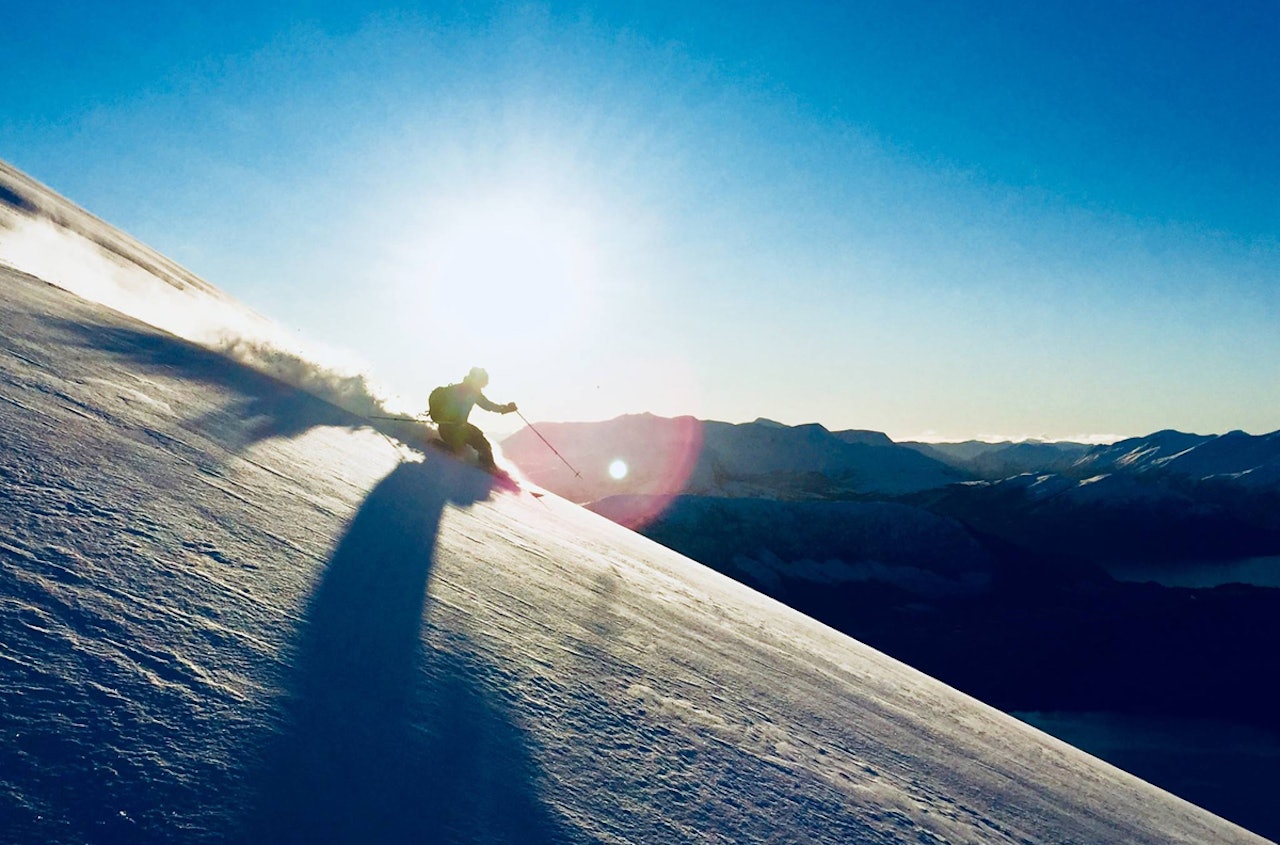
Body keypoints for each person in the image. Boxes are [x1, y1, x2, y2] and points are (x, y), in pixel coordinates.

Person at [428, 367, 517, 471]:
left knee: (462, 447)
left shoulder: (459, 388)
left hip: (446, 428)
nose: (484, 385)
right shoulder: (471, 392)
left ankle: (438, 444)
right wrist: (507, 409)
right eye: (484, 382)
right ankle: (488, 468)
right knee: (483, 444)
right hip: (455, 430)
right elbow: (488, 405)